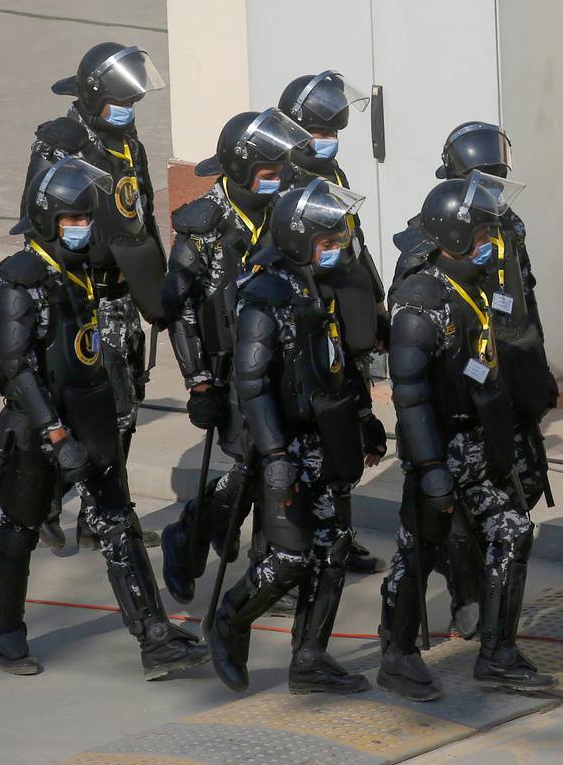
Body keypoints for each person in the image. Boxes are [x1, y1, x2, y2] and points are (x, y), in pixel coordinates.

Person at [0, 158, 207, 678]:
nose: (82, 229)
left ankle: (153, 636)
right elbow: (16, 368)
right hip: (42, 426)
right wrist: (55, 435)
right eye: (71, 220)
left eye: (87, 218)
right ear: (46, 220)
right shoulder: (20, 280)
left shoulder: (79, 268)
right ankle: (5, 631)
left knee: (117, 525)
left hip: (93, 411)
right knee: (19, 527)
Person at [377, 174, 553, 701]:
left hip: (480, 441)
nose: (490, 245)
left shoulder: (475, 285)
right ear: (452, 239)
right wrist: (430, 469)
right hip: (439, 447)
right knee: (419, 549)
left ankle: (497, 652)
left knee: (513, 531)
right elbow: (408, 395)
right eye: (480, 235)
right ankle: (397, 654)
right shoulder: (419, 300)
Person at [208, 179, 382, 695]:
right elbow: (252, 384)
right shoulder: (265, 294)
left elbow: (342, 362)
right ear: (300, 239)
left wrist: (364, 418)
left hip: (324, 436)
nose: (337, 250)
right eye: (327, 242)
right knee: (290, 557)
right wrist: (276, 453)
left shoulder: (320, 284)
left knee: (333, 549)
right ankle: (230, 622)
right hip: (283, 442)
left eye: (339, 241)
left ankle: (309, 657)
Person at [159, 109, 314, 604]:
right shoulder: (205, 224)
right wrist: (198, 381)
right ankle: (189, 532)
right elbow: (178, 307)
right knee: (250, 468)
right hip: (231, 366)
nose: (280, 181)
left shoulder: (289, 210)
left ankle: (270, 568)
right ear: (242, 171)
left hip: (284, 359)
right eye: (270, 173)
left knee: (279, 460)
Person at [28, 43, 170, 551]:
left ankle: (102, 513)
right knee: (89, 411)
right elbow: (40, 223)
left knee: (126, 408)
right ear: (92, 94)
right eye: (119, 99)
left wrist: (159, 287)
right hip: (81, 301)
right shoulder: (61, 143)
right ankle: (46, 503)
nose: (128, 109)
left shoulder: (128, 141)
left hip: (123, 298)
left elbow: (144, 216)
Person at [278, 69, 392, 576]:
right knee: (303, 445)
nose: (328, 143)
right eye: (321, 133)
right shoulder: (283, 178)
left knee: (346, 428)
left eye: (333, 134)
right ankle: (286, 546)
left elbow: (355, 243)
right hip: (307, 321)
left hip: (344, 315)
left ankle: (338, 535)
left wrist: (376, 301)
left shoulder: (335, 175)